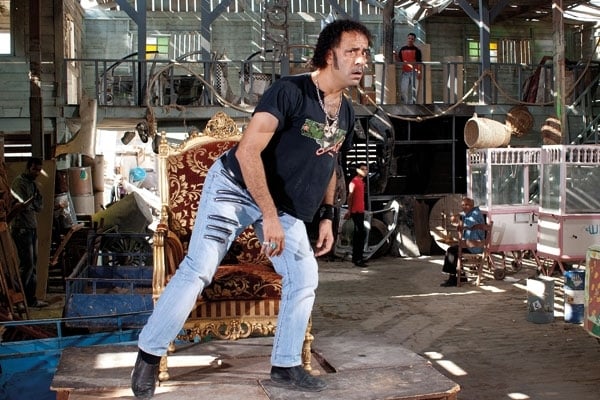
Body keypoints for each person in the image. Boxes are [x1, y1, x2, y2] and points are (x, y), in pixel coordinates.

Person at [131, 19, 372, 398]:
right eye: (352, 51)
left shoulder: (345, 111)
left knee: (304, 276)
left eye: (365, 53)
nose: (361, 60)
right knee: (198, 268)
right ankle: (149, 355)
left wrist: (328, 215)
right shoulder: (289, 92)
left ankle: (286, 365)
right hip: (235, 187)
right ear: (330, 55)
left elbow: (330, 160)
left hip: (282, 205)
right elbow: (246, 152)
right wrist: (269, 216)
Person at [9, 157, 47, 308]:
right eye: (34, 169)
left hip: (31, 227)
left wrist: (33, 201)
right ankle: (21, 298)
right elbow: (21, 205)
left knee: (32, 264)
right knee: (27, 264)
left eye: (39, 170)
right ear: (28, 168)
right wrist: (30, 202)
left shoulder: (33, 184)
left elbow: (38, 206)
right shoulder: (19, 183)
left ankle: (30, 299)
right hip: (21, 228)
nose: (37, 173)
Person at [440, 197, 485, 287]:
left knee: (451, 251)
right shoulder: (471, 212)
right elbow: (463, 214)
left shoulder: (476, 214)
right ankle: (461, 276)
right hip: (469, 245)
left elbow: (469, 223)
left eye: (467, 205)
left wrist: (458, 220)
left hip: (475, 247)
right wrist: (457, 215)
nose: (464, 207)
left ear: (472, 205)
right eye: (463, 205)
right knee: (452, 250)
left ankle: (453, 278)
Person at [344, 163, 368, 267]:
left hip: (360, 211)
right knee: (359, 234)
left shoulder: (362, 182)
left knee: (360, 235)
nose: (365, 171)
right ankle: (357, 258)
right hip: (356, 212)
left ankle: (358, 257)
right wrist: (349, 211)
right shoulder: (354, 182)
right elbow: (350, 197)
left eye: (366, 169)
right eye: (362, 169)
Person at [395, 33, 422, 104]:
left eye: (412, 39)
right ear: (407, 39)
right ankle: (405, 104)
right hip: (405, 72)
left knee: (414, 90)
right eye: (409, 38)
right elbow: (400, 61)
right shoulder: (402, 49)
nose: (410, 40)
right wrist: (395, 55)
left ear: (414, 40)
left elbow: (419, 62)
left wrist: (419, 72)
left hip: (414, 72)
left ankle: (413, 104)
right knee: (403, 89)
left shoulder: (417, 50)